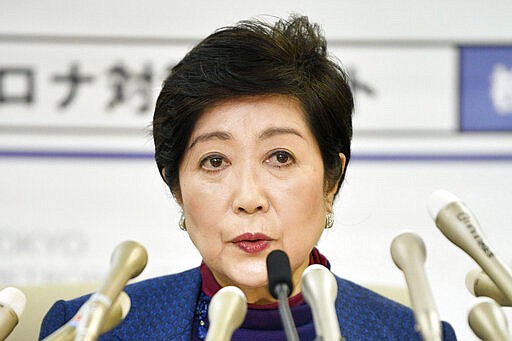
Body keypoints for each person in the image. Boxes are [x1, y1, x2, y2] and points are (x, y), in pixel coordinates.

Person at [39, 15, 457, 340]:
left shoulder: (414, 335)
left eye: (280, 156)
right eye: (215, 162)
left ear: (332, 182)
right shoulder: (88, 331)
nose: (248, 197)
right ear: (177, 189)